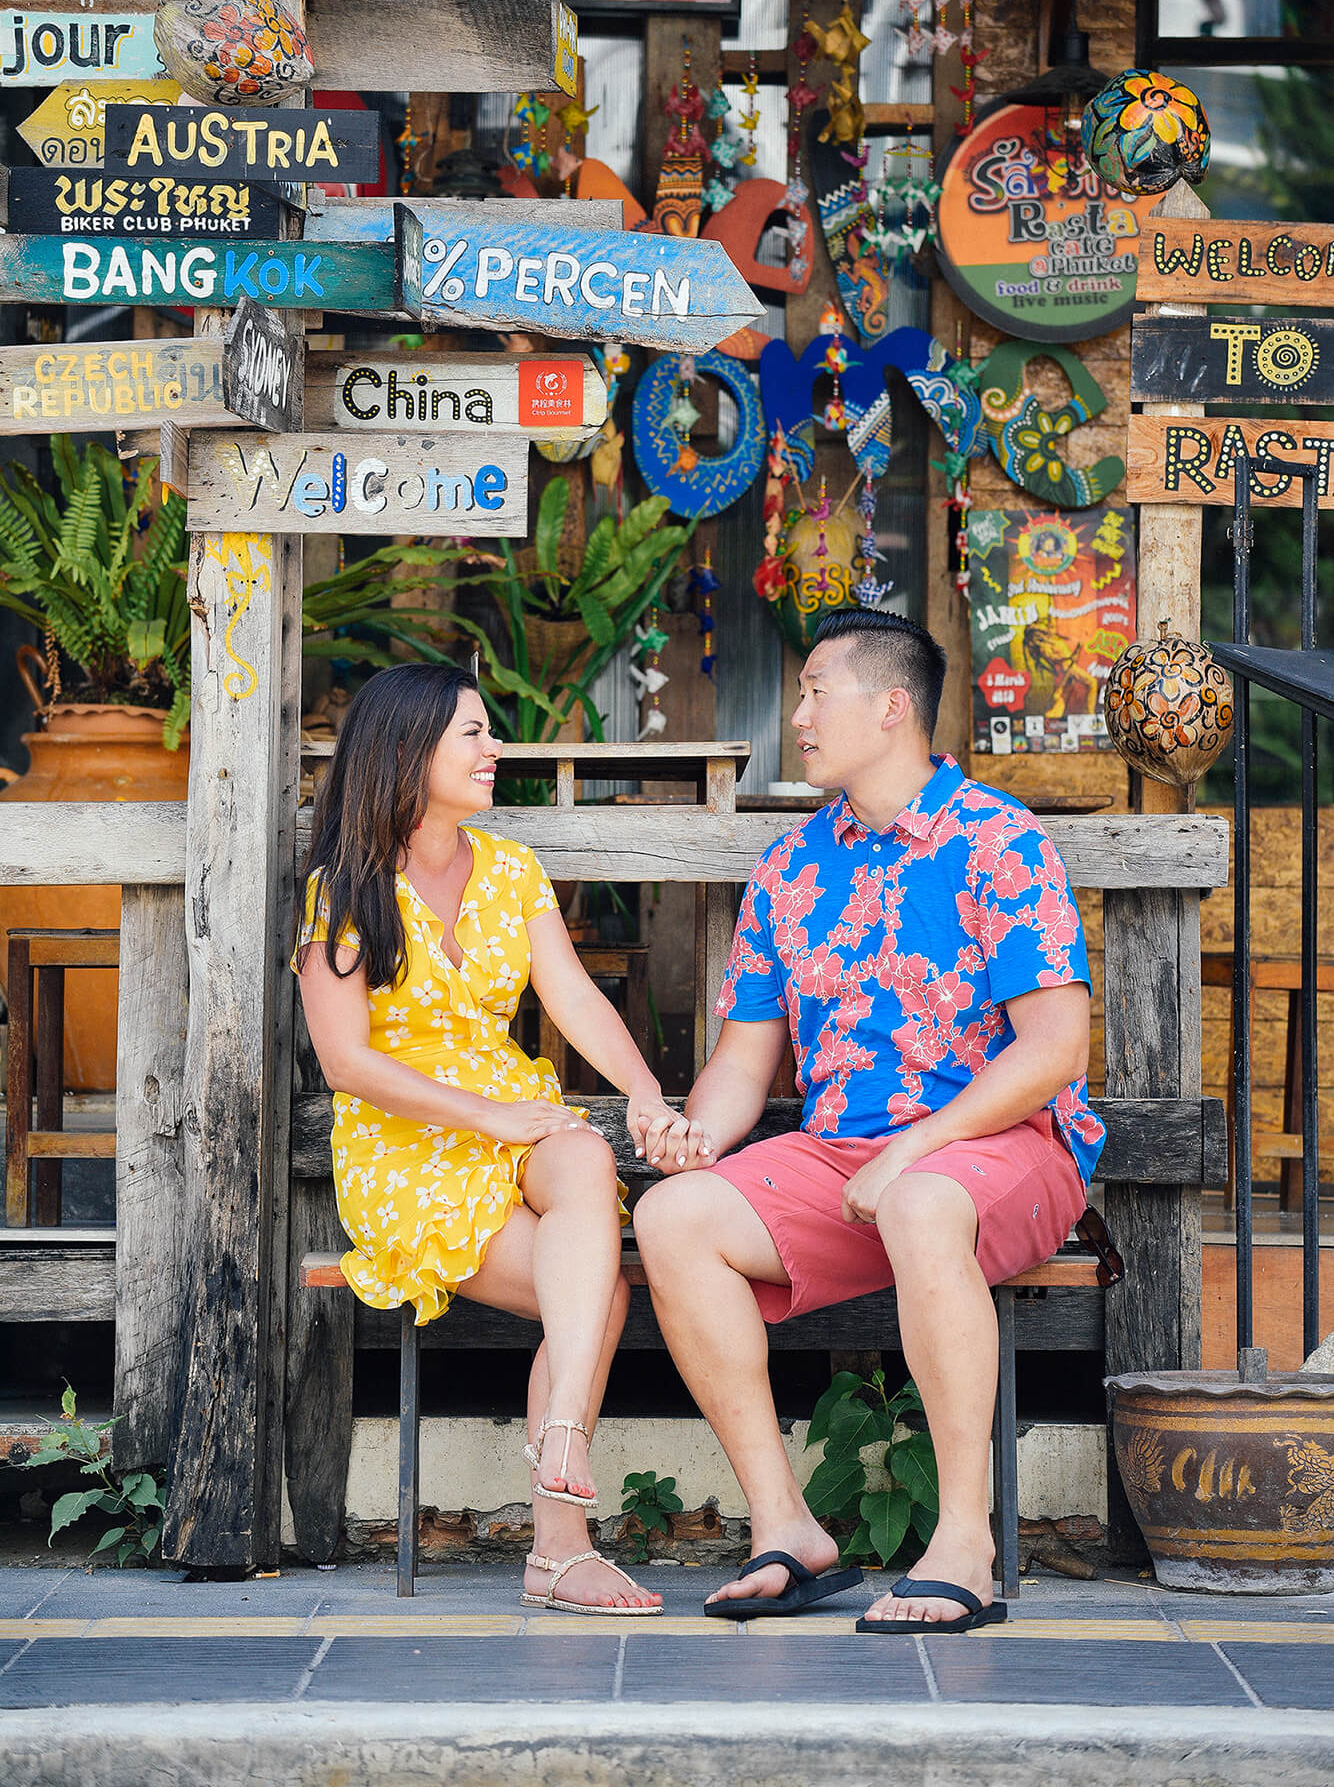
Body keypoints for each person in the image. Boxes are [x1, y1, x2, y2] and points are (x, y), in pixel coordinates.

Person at [632, 609, 1101, 1635]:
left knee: (926, 1201)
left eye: (812, 691)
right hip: (847, 1160)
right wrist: (694, 1135)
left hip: (997, 1147)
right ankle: (787, 1529)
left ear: (890, 707)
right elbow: (741, 1066)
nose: (795, 715)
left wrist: (916, 1148)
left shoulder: (995, 838)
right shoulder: (791, 866)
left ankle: (962, 1541)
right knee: (672, 1217)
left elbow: (1053, 1050)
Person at [295, 661, 687, 1617]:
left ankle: (560, 1449)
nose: (493, 749)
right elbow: (347, 1062)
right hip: (409, 1145)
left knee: (588, 1154)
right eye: (472, 733)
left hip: (515, 1120)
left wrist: (643, 1092)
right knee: (602, 1296)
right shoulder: (342, 887)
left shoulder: (511, 871)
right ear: (407, 750)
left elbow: (575, 1000)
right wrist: (491, 1118)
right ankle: (559, 1547)